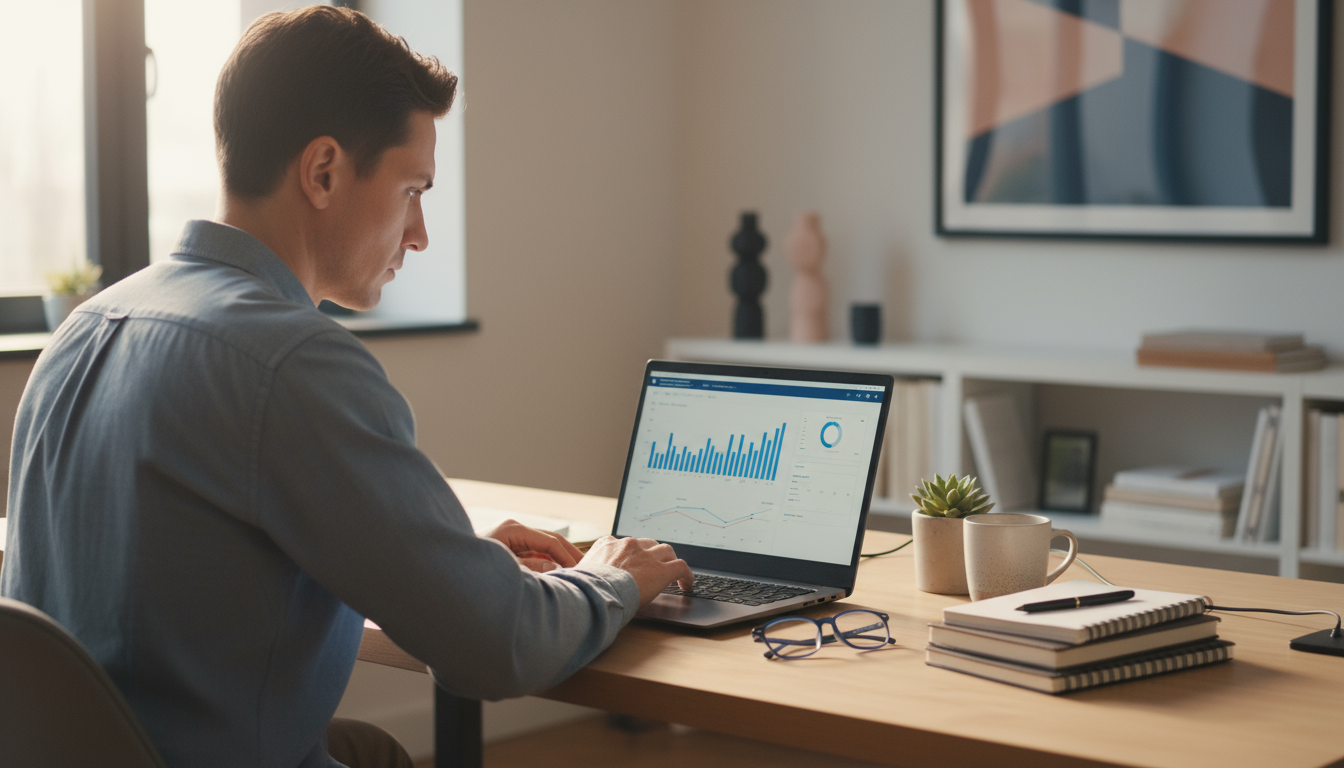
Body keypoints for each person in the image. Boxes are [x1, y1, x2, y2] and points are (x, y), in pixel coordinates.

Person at [0, 6, 691, 768]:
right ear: (324, 171)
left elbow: (185, 574)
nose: (421, 233)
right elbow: (499, 647)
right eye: (412, 191)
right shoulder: (292, 360)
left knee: (368, 749)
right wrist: (610, 579)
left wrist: (441, 565)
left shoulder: (81, 331)